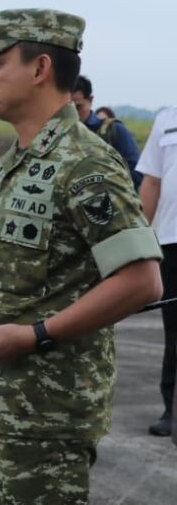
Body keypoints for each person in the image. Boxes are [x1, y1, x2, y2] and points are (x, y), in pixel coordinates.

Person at [0, 9, 163, 505]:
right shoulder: (18, 159)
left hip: (45, 415)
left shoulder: (86, 162)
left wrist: (36, 335)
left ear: (40, 68)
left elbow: (142, 280)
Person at [136, 106, 177, 436]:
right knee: (174, 332)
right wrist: (138, 244)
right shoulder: (167, 119)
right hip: (171, 241)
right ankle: (171, 410)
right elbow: (151, 182)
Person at [72, 75, 142, 188]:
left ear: (90, 100)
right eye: (69, 108)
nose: (74, 113)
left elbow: (138, 174)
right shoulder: (60, 133)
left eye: (78, 107)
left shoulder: (114, 130)